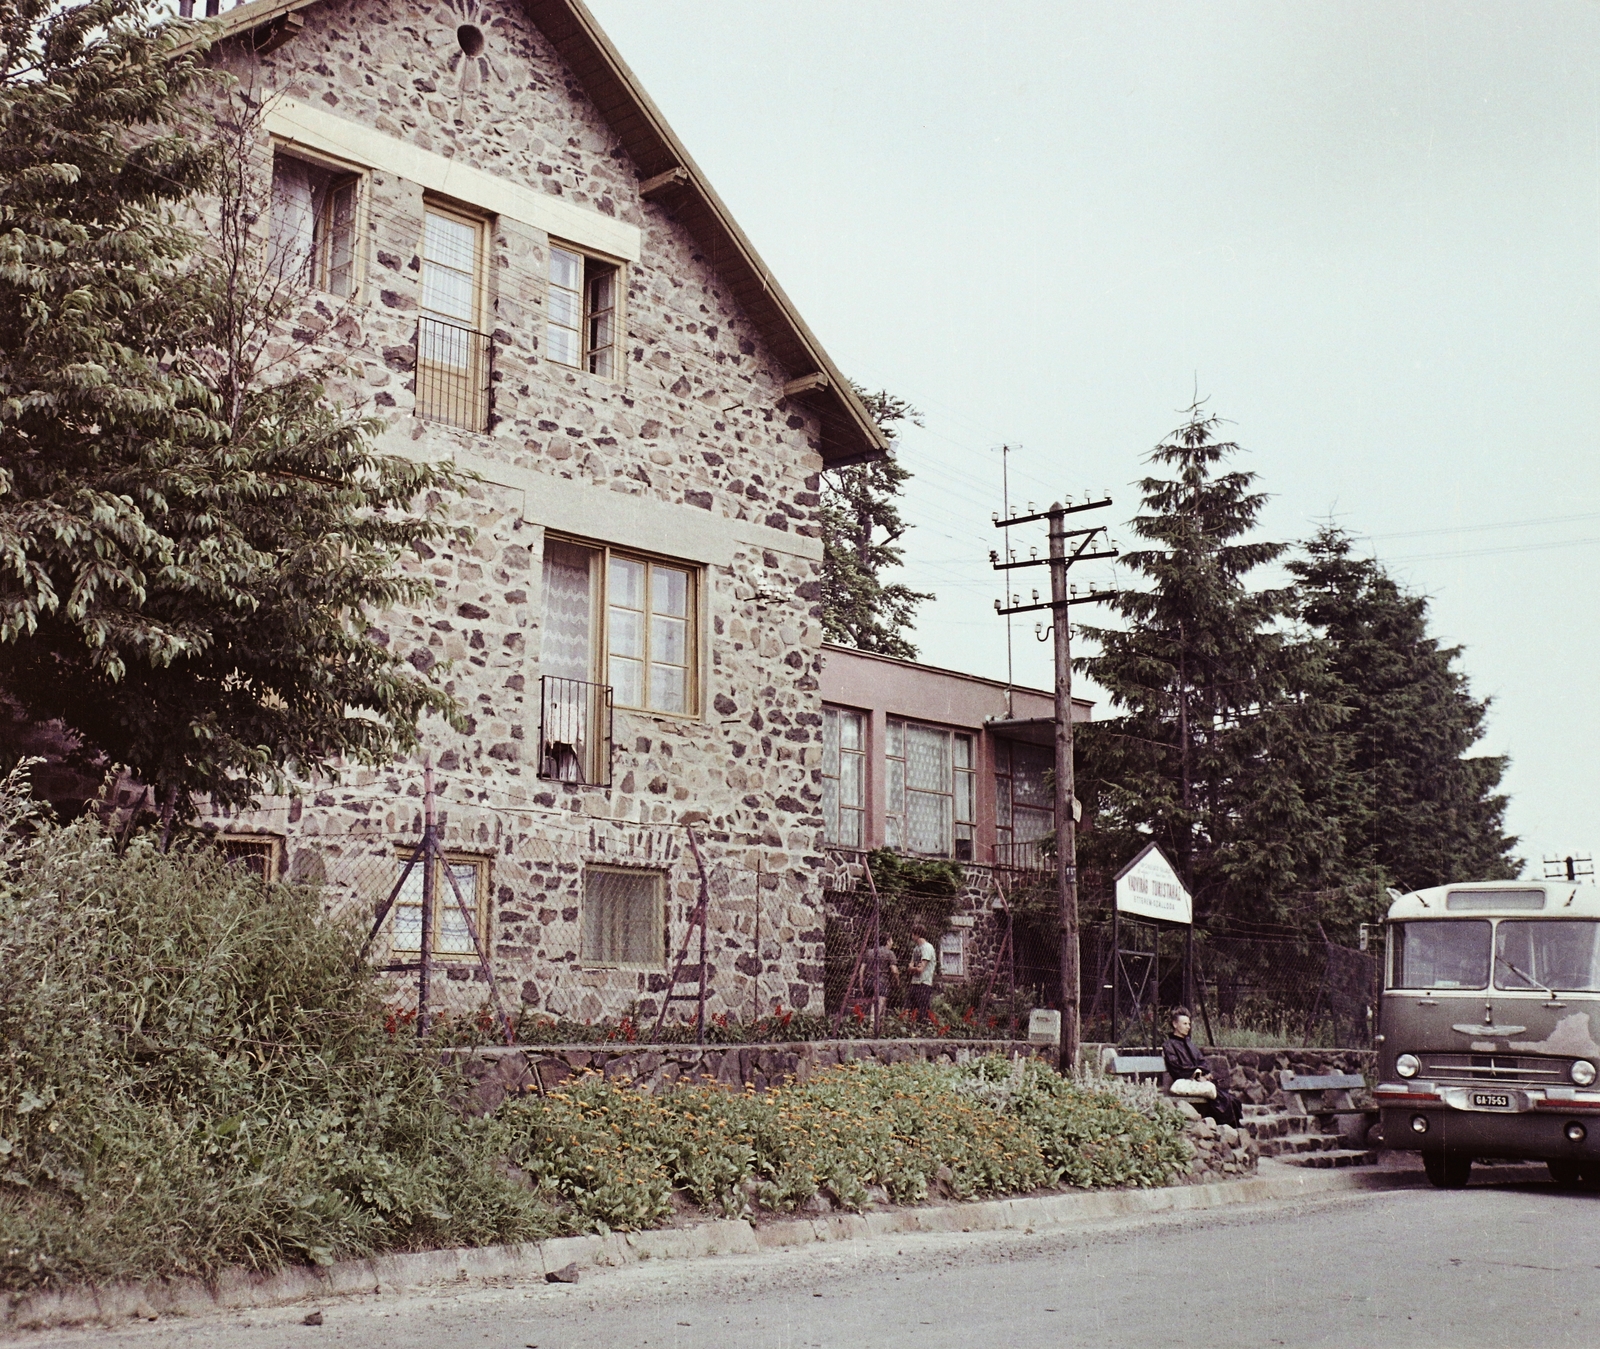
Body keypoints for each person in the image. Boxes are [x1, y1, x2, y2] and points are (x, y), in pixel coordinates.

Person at [1161, 1006, 1242, 1129]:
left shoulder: (1190, 1043)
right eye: (1185, 1023)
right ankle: (1229, 1128)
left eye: (1189, 1023)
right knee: (1223, 1099)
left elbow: (1202, 1062)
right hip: (1185, 1082)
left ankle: (1230, 1128)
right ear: (1175, 1024)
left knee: (1231, 1099)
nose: (1188, 1026)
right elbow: (1176, 1068)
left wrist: (1204, 1074)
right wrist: (1197, 1074)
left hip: (1198, 1081)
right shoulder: (1169, 1046)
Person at [863, 936, 899, 1027]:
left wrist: (861, 984)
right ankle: (872, 1025)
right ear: (887, 941)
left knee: (878, 1005)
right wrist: (897, 982)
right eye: (891, 941)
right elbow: (894, 971)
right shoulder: (889, 953)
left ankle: (878, 1026)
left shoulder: (869, 952)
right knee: (879, 1003)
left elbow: (861, 970)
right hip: (882, 983)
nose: (892, 943)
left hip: (868, 982)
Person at [907, 923, 936, 1021]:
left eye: (912, 934)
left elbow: (920, 969)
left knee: (922, 1013)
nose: (911, 936)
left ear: (917, 934)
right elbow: (910, 967)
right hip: (914, 982)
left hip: (924, 983)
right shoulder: (916, 949)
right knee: (911, 1011)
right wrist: (914, 968)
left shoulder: (927, 948)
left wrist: (914, 968)